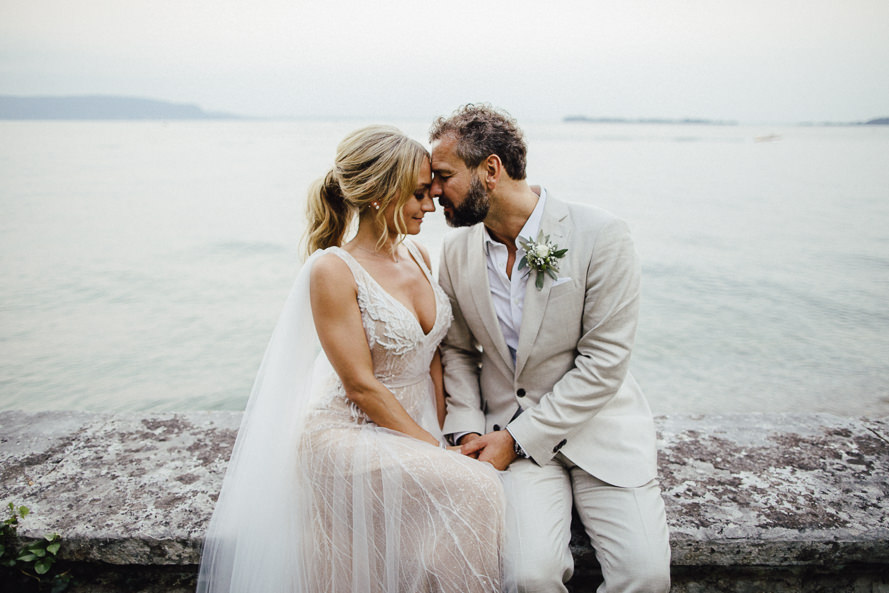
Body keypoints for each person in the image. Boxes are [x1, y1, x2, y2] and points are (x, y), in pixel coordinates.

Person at [196, 125, 512, 593]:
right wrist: (433, 448)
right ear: (382, 195)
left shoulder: (419, 255)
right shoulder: (333, 269)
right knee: (478, 487)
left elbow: (433, 359)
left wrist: (442, 432)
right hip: (350, 431)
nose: (431, 205)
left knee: (453, 514)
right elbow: (360, 385)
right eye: (419, 194)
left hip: (414, 422)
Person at [430, 104, 671, 593]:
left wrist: (516, 438)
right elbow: (456, 352)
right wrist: (464, 432)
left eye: (444, 176)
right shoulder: (455, 253)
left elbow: (604, 363)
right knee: (529, 575)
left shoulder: (601, 235)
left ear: (491, 170)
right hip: (508, 445)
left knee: (644, 576)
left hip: (599, 433)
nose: (433, 192)